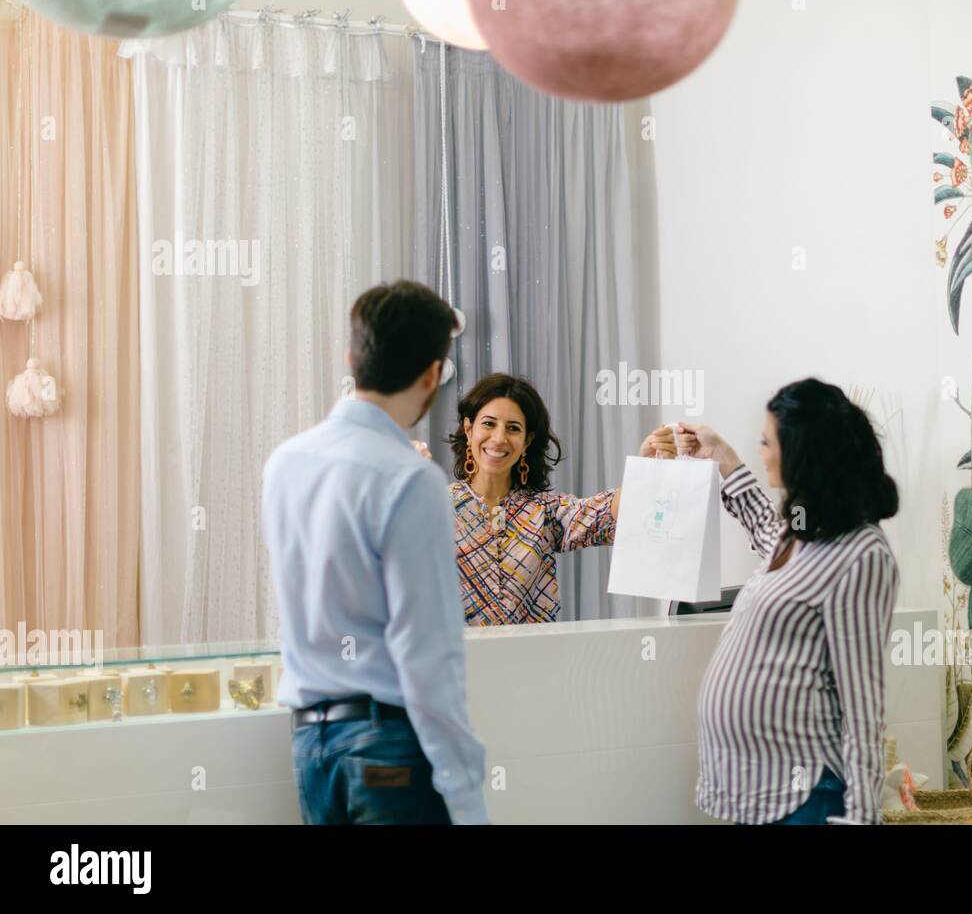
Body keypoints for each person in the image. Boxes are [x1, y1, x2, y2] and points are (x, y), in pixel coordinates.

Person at [262, 280, 486, 825]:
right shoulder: (411, 480)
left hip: (311, 749)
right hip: (388, 749)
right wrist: (466, 796)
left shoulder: (284, 464)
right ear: (433, 375)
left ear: (352, 357)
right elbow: (427, 652)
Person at [677, 378, 900, 825]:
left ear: (803, 452)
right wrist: (720, 456)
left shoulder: (862, 554)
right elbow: (763, 523)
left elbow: (863, 705)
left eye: (766, 442)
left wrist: (860, 819)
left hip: (804, 796)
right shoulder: (800, 530)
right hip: (761, 794)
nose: (761, 451)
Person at [413, 373, 676, 625]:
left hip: (535, 663)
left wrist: (646, 468)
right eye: (489, 423)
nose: (499, 438)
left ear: (526, 441)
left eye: (513, 428)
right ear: (469, 429)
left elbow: (604, 513)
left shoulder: (544, 512)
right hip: (456, 665)